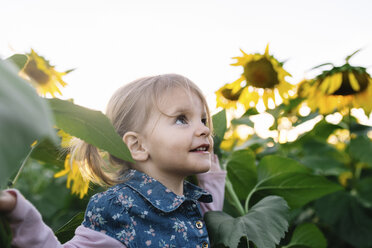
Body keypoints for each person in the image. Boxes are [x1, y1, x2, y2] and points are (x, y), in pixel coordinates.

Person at [0, 74, 226, 248]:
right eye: (181, 120)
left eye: (203, 119)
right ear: (138, 146)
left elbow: (209, 218)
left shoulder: (189, 200)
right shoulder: (120, 208)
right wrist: (21, 214)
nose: (205, 129)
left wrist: (212, 179)